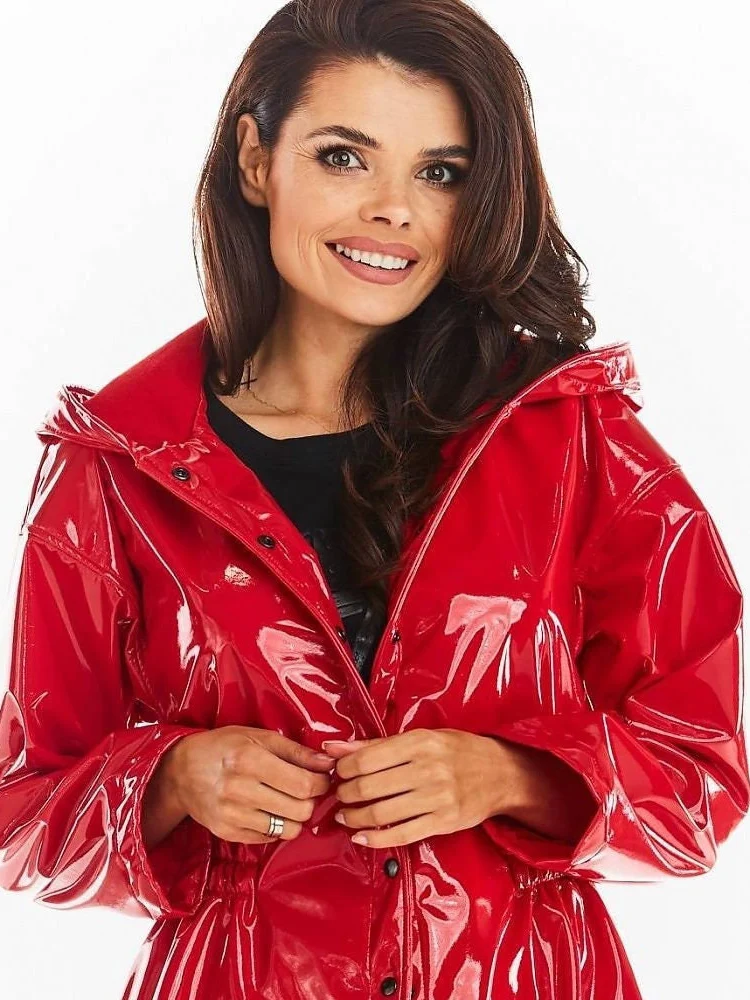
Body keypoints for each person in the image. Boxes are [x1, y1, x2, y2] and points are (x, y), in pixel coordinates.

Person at [0, 1, 747, 998]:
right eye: (344, 157)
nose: (394, 209)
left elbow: (702, 776)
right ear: (256, 161)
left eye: (440, 173)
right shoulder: (119, 466)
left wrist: (512, 776)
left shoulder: (576, 438)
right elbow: (22, 814)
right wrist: (170, 777)